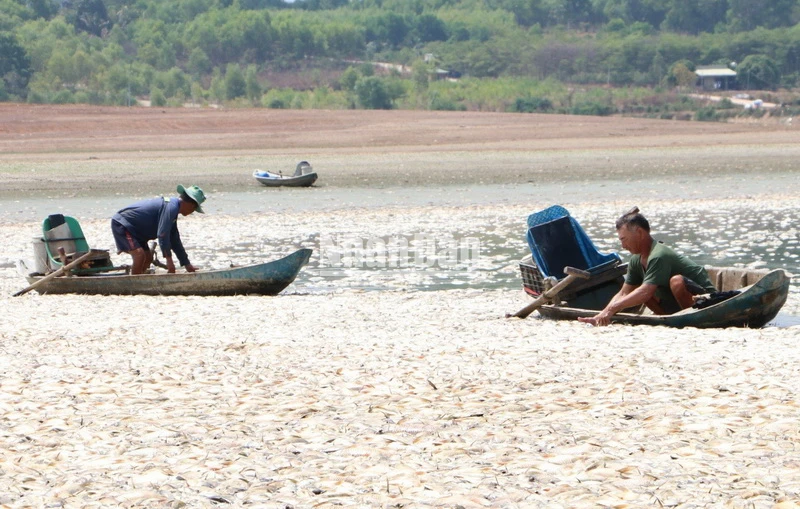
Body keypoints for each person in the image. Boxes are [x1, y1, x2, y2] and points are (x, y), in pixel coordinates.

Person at [578, 208, 716, 327]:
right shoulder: (635, 260)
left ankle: (693, 320)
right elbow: (624, 293)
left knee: (676, 282)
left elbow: (646, 292)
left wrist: (613, 309)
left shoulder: (658, 255)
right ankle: (669, 320)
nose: (623, 246)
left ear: (639, 233)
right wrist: (603, 314)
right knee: (637, 290)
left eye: (624, 239)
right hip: (674, 305)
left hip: (708, 302)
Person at [111, 185, 206, 274]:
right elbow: (162, 234)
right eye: (194, 209)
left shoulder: (173, 210)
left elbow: (174, 240)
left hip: (137, 231)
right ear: (191, 205)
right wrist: (169, 260)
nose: (192, 212)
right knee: (139, 255)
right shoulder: (171, 207)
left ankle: (141, 280)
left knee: (148, 258)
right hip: (123, 224)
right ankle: (133, 285)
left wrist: (186, 264)